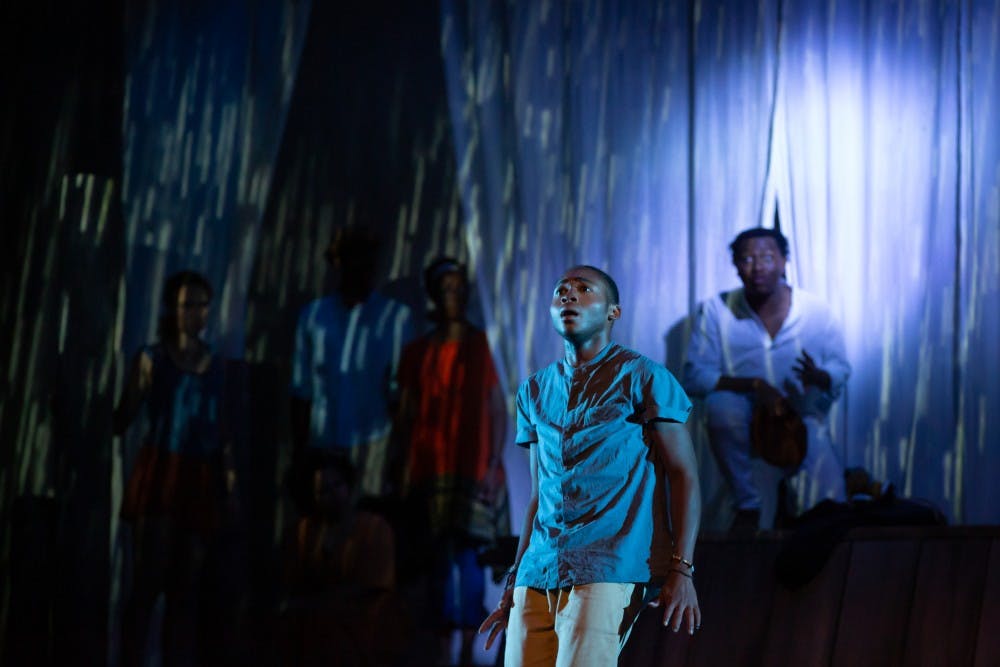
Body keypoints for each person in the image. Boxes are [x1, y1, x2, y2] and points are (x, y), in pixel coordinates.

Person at [479, 265, 702, 666]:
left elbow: (683, 474)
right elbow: (540, 494)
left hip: (609, 562)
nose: (569, 296)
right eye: (561, 290)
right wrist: (515, 577)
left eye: (584, 289)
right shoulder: (534, 389)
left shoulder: (643, 376)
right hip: (539, 568)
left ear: (613, 311)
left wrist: (681, 570)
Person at [683, 227, 851, 530]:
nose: (757, 267)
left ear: (785, 261)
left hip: (800, 422)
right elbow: (695, 376)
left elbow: (841, 367)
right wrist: (754, 386)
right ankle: (747, 503)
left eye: (767, 257)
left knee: (831, 510)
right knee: (722, 408)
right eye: (747, 258)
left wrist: (821, 376)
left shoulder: (814, 310)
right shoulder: (717, 310)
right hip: (748, 430)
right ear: (735, 265)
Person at [114, 270, 237, 667]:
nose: (196, 313)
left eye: (203, 305)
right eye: (188, 304)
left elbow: (223, 431)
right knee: (149, 581)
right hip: (162, 469)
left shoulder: (217, 366)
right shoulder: (153, 358)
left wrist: (229, 483)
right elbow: (124, 415)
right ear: (173, 308)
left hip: (199, 476)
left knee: (185, 590)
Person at [395, 257, 508, 666]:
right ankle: (444, 652)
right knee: (438, 563)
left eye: (461, 290)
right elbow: (407, 414)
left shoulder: (481, 347)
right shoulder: (419, 352)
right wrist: (403, 466)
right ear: (434, 295)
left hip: (472, 464)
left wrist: (494, 460)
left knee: (470, 560)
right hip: (431, 467)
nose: (455, 298)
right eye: (447, 290)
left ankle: (468, 654)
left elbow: (496, 407)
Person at [290, 227, 413, 499]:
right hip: (323, 439)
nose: (361, 268)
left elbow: (400, 393)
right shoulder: (314, 316)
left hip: (373, 440)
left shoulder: (394, 318)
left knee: (369, 515)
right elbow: (302, 389)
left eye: (367, 261)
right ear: (339, 263)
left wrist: (401, 454)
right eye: (353, 259)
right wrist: (300, 450)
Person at [281, 452, 403, 666]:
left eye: (338, 485)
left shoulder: (374, 528)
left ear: (349, 485)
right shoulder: (305, 531)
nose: (334, 495)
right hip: (315, 634)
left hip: (362, 631)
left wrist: (321, 604)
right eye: (323, 491)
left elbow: (374, 587)